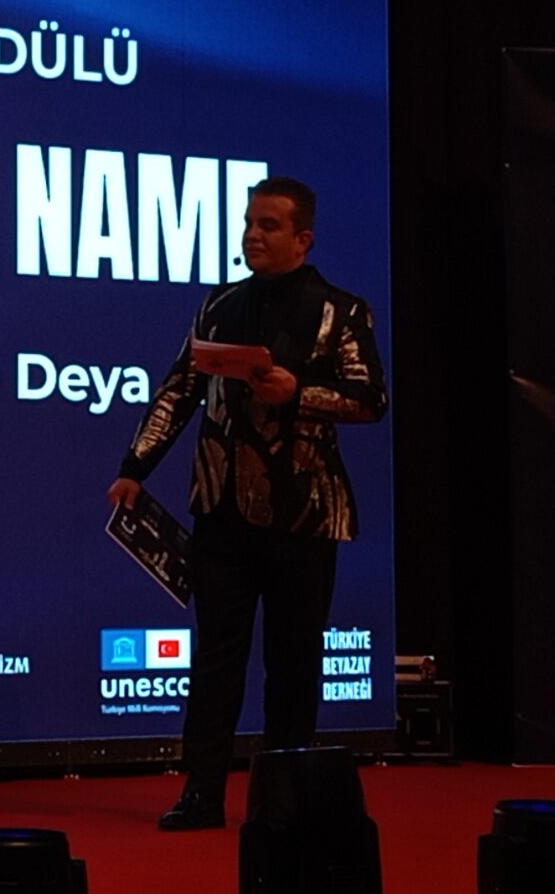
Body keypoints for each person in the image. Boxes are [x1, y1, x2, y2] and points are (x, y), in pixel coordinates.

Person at [106, 176, 386, 830]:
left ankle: (285, 799)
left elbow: (371, 399)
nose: (253, 235)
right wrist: (135, 468)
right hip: (221, 508)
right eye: (249, 223)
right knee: (215, 659)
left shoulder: (341, 311)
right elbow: (178, 390)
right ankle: (201, 793)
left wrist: (300, 393)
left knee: (294, 662)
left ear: (303, 238)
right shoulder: (220, 303)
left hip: (304, 512)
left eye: (269, 225)